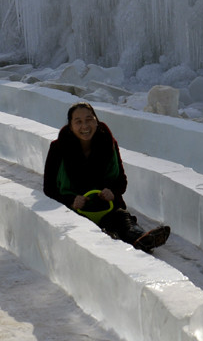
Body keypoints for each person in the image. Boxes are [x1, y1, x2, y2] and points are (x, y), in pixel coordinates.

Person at [43, 102, 171, 252]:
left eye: (89, 119)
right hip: (76, 211)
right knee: (83, 228)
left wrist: (112, 192)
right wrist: (71, 200)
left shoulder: (108, 143)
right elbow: (49, 188)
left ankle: (142, 239)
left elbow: (121, 181)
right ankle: (108, 236)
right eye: (78, 122)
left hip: (107, 207)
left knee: (123, 221)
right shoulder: (58, 148)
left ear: (96, 121)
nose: (85, 126)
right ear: (70, 126)